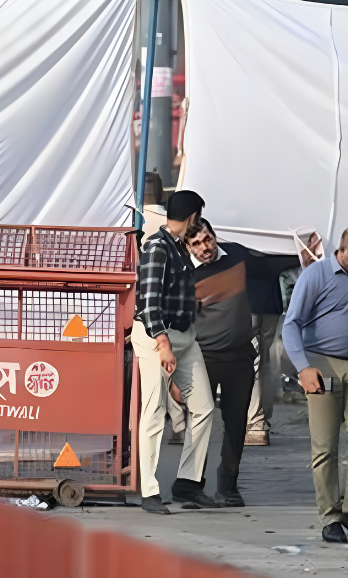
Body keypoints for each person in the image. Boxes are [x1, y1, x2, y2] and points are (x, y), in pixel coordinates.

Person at [284, 225, 348, 544]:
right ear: (343, 249)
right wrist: (303, 368)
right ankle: (330, 516)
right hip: (320, 363)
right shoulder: (315, 275)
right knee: (325, 445)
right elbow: (291, 324)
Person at [132, 190, 216, 514]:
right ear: (192, 216)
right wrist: (164, 346)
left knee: (205, 407)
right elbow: (149, 302)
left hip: (184, 337)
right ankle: (150, 491)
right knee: (153, 411)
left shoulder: (179, 247)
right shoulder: (157, 247)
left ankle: (187, 482)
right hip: (157, 338)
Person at [174, 219, 260, 507]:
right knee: (198, 421)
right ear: (187, 247)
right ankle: (191, 485)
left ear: (215, 236)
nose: (205, 247)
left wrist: (302, 253)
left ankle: (229, 486)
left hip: (239, 356)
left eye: (208, 239)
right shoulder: (182, 274)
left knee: (236, 424)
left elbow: (270, 263)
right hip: (201, 359)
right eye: (196, 243)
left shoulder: (237, 255)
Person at [245, 235, 312, 446]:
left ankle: (255, 423)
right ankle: (260, 421)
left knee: (251, 363)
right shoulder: (276, 234)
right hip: (271, 303)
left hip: (246, 302)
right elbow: (288, 259)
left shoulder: (244, 232)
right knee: (264, 360)